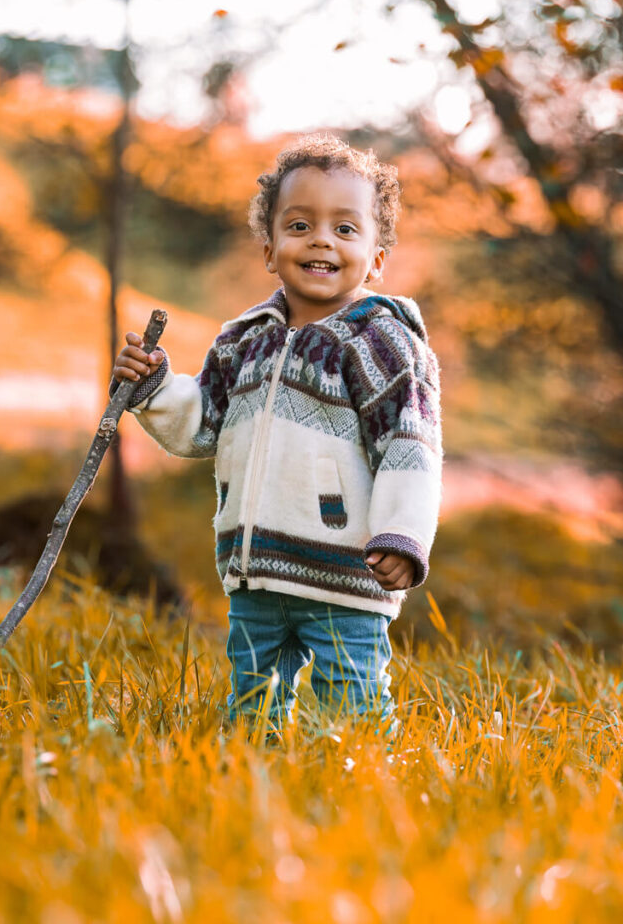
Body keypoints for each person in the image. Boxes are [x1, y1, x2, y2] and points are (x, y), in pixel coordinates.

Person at [111, 133, 444, 734]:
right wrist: (154, 387)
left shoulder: (381, 343)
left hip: (347, 570)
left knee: (353, 702)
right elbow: (204, 424)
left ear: (375, 258)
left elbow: (409, 447)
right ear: (269, 249)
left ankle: (366, 788)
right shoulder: (244, 339)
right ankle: (254, 784)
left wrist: (402, 534)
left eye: (345, 229)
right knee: (253, 705)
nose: (321, 239)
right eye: (299, 225)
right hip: (255, 567)